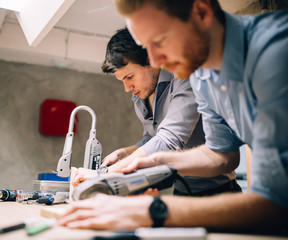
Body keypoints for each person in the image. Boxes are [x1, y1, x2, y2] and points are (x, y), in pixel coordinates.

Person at [59, 0, 288, 231]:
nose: (157, 62)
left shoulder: (276, 52)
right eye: (147, 47)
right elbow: (221, 155)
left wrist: (154, 209)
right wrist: (156, 161)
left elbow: (277, 202)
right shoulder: (202, 76)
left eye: (159, 40)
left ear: (201, 12)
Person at [72, 28, 241, 196]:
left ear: (151, 59)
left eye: (129, 77)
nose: (127, 88)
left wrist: (103, 176)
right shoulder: (140, 94)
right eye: (122, 80)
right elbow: (152, 138)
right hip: (182, 192)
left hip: (220, 192)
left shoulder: (184, 77)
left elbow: (169, 140)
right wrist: (125, 152)